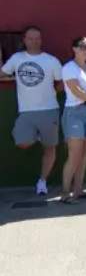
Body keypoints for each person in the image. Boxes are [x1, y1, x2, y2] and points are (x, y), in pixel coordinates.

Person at [0, 26, 64, 196]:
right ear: (24, 40)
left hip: (49, 110)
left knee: (50, 148)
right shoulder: (17, 58)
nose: (34, 41)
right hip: (26, 112)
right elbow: (2, 73)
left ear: (41, 40)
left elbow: (61, 82)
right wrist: (11, 77)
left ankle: (42, 182)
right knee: (21, 142)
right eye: (30, 38)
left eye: (37, 38)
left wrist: (52, 93)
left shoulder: (51, 61)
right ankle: (36, 136)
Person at [60, 37, 86, 204]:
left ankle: (78, 190)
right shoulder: (69, 68)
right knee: (74, 155)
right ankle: (65, 193)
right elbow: (76, 90)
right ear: (74, 49)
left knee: (84, 155)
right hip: (74, 112)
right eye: (83, 46)